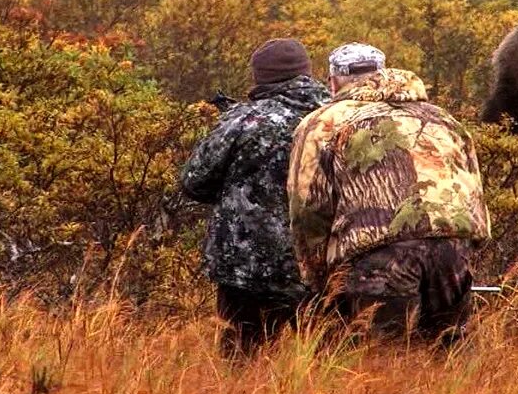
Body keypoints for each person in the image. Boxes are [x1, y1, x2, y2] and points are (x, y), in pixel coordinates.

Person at [287, 43, 490, 344]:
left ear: (332, 81)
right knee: (450, 356)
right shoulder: (444, 119)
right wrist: (466, 250)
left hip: (379, 252)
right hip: (452, 248)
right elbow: (475, 191)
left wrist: (320, 280)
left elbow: (308, 208)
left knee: (384, 363)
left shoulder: (322, 122)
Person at [179, 38, 330, 356]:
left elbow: (194, 181)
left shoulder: (244, 120)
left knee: (242, 363)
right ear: (306, 70)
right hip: (321, 262)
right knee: (327, 362)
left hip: (247, 265)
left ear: (260, 76)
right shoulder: (336, 116)